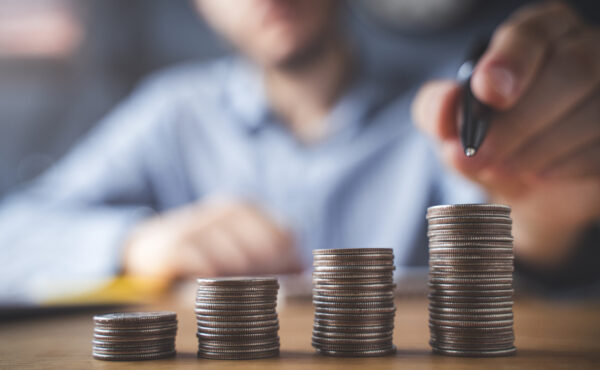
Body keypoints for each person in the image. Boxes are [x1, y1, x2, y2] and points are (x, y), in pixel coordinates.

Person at [0, 0, 598, 302]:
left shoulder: (444, 107)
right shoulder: (172, 112)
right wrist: (140, 242)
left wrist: (549, 213)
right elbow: (12, 236)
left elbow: (516, 228)